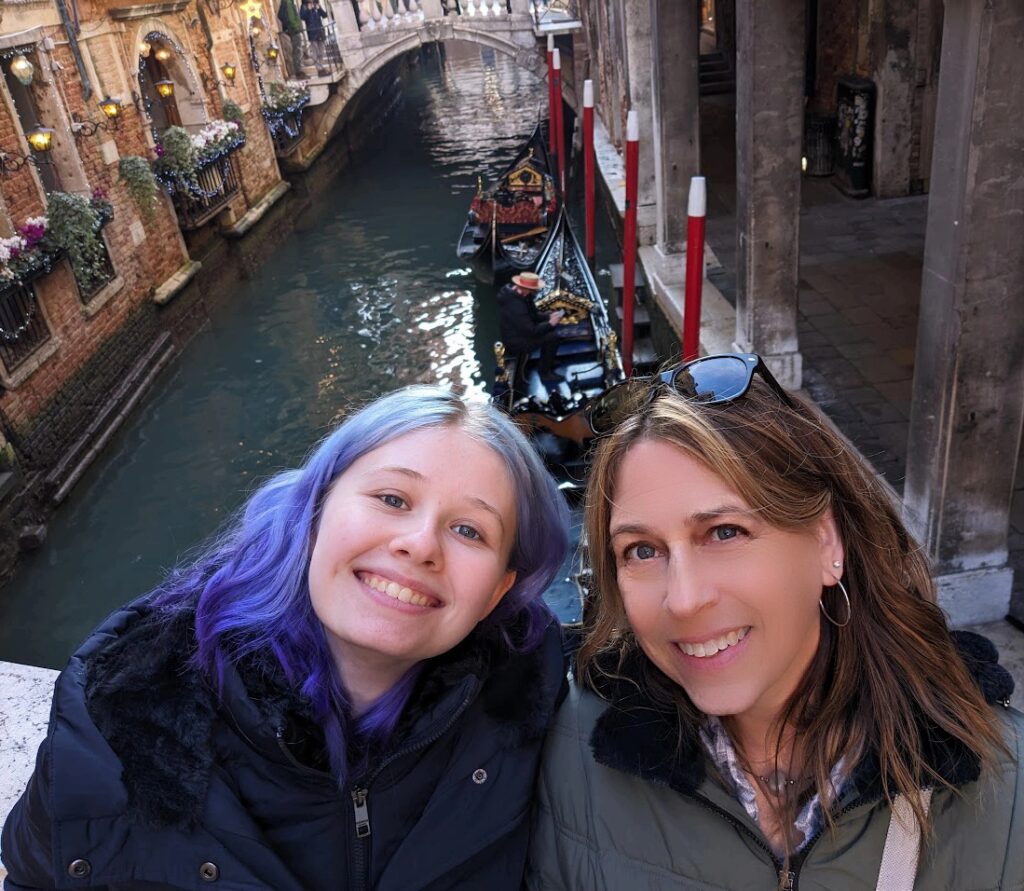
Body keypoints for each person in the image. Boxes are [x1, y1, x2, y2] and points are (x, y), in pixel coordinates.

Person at [2, 386, 571, 890]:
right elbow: (32, 875)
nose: (420, 544)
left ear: (497, 592)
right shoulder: (122, 707)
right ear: (315, 510)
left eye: (469, 530)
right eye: (392, 499)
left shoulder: (526, 704)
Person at [527, 354, 1023, 889]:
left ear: (827, 542)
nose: (684, 600)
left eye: (725, 532)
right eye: (642, 550)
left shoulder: (1006, 787)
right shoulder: (572, 747)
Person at [496, 271, 566, 386]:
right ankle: (545, 373)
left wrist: (549, 316)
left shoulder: (523, 296)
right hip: (516, 342)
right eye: (533, 289)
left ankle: (548, 361)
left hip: (521, 333)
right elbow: (531, 331)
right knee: (553, 337)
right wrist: (550, 324)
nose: (536, 291)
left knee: (552, 332)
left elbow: (533, 315)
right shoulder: (515, 305)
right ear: (525, 288)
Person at [276, 0, 305, 78]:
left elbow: (280, 15)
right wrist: (295, 26)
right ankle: (299, 72)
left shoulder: (287, 2)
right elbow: (290, 17)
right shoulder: (288, 2)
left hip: (291, 30)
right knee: (297, 50)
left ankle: (297, 71)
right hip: (293, 30)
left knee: (295, 51)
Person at [299, 0, 329, 75]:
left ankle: (321, 67)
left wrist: (319, 8)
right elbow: (302, 17)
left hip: (320, 32)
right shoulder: (304, 5)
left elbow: (325, 15)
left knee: (321, 52)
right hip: (312, 33)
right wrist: (308, 10)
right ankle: (319, 69)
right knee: (316, 52)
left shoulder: (316, 3)